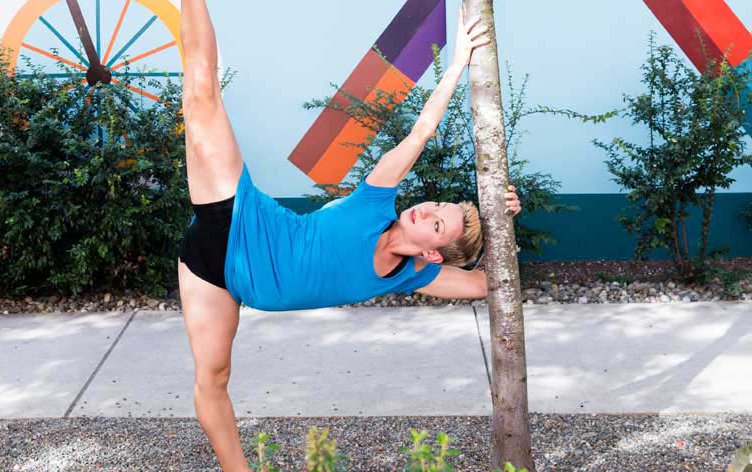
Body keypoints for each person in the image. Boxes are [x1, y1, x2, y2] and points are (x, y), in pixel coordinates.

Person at [175, 1, 520, 470]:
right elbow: (421, 132)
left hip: (215, 272)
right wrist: (458, 62)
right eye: (436, 206)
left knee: (213, 376)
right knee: (200, 92)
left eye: (436, 224)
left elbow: (490, 285)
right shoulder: (373, 202)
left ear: (435, 255)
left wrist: (506, 223)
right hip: (236, 213)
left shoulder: (408, 276)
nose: (425, 212)